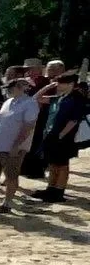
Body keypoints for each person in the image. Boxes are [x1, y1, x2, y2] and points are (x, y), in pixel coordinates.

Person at [0, 78, 40, 211]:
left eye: (10, 88)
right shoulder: (8, 102)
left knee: (11, 174)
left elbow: (28, 126)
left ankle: (7, 203)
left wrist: (17, 145)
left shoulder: (30, 103)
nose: (7, 91)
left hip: (13, 146)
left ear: (20, 87)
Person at [33, 74, 86, 202]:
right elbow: (36, 98)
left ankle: (59, 191)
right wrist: (49, 86)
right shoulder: (59, 98)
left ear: (70, 84)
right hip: (51, 134)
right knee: (52, 163)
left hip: (65, 136)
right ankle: (51, 188)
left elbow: (74, 120)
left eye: (61, 83)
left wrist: (61, 135)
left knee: (62, 164)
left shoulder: (76, 98)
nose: (58, 85)